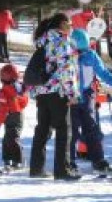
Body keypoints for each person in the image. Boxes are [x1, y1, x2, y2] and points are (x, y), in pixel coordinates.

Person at [28, 13, 80, 181]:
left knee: (42, 129)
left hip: (42, 91)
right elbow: (66, 70)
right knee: (64, 130)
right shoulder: (62, 42)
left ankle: (36, 168)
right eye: (69, 23)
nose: (71, 26)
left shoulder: (43, 42)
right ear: (62, 23)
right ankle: (62, 170)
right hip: (58, 91)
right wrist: (72, 93)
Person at [69, 29, 112, 174]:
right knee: (73, 130)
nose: (82, 51)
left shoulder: (90, 55)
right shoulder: (68, 55)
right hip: (72, 97)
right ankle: (69, 161)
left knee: (90, 129)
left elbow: (102, 72)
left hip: (86, 96)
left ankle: (98, 160)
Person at [0, 64, 28, 170]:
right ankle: (7, 159)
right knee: (8, 138)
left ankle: (18, 160)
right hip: (12, 116)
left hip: (15, 115)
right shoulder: (9, 91)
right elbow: (2, 110)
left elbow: (3, 110)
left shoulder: (15, 89)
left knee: (12, 137)